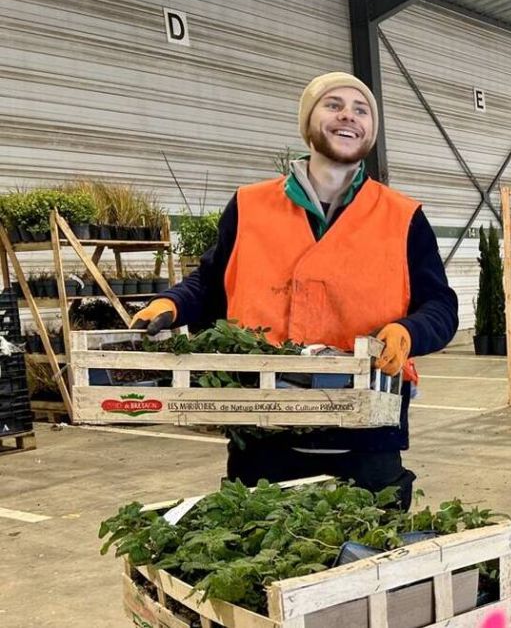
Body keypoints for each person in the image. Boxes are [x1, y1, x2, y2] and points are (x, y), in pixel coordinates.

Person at [131, 72, 458, 506]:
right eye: (333, 104)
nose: (348, 116)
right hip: (263, 423)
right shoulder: (250, 206)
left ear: (371, 132)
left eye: (362, 110)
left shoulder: (403, 217)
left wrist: (409, 331)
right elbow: (211, 282)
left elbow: (440, 304)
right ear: (307, 123)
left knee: (371, 548)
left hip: (365, 426)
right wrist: (171, 302)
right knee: (259, 546)